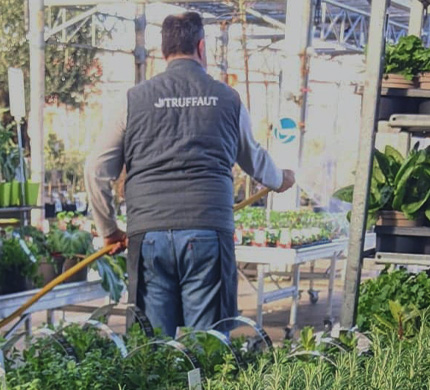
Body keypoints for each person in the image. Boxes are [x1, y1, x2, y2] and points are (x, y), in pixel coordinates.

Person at [84, 11, 295, 338]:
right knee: (207, 348)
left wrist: (108, 230)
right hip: (207, 233)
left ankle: (159, 389)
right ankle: (203, 389)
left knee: (152, 354)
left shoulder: (132, 101)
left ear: (163, 52)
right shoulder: (228, 99)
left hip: (149, 236)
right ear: (201, 46)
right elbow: (254, 159)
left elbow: (96, 168)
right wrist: (281, 179)